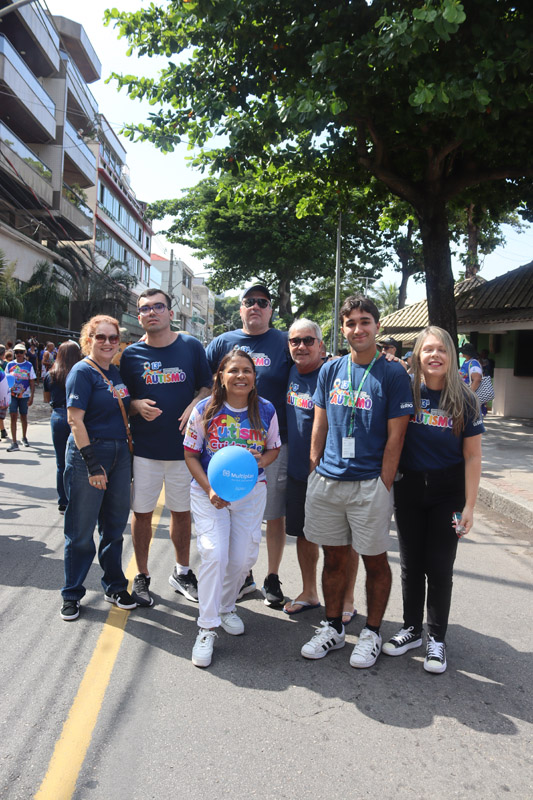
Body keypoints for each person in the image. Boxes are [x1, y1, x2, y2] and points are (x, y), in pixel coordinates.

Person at [300, 294, 414, 668]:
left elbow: (397, 437)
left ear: (377, 327)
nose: (358, 329)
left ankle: (372, 632)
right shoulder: (331, 369)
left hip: (369, 484)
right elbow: (321, 419)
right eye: (351, 322)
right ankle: (332, 627)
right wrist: (316, 462)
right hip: (329, 480)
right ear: (343, 328)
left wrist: (383, 482)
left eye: (365, 321)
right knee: (334, 558)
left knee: (375, 560)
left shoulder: (393, 373)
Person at [383, 326, 484, 673]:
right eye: (428, 350)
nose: (435, 356)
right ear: (418, 356)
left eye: (441, 350)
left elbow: (472, 456)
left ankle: (437, 638)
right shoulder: (406, 391)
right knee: (411, 566)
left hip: (448, 492)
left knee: (440, 567)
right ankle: (411, 629)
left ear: (451, 355)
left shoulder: (465, 399)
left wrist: (470, 506)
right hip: (409, 487)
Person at [183, 349, 280, 667]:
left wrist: (262, 461)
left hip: (251, 495)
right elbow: (191, 454)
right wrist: (210, 489)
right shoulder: (204, 409)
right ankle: (207, 627)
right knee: (214, 553)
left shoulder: (265, 410)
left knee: (243, 559)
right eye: (233, 370)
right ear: (221, 377)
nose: (241, 376)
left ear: (254, 378)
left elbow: (273, 448)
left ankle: (225, 606)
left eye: (247, 371)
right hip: (210, 495)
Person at [120, 289, 212, 608]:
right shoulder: (130, 355)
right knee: (142, 513)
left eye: (158, 306)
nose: (152, 312)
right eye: (145, 308)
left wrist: (195, 404)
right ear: (139, 315)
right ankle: (142, 575)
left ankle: (182, 572)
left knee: (182, 514)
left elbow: (207, 386)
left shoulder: (190, 346)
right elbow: (121, 399)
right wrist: (134, 405)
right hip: (144, 450)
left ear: (170, 313)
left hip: (184, 452)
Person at [206, 284, 292, 606]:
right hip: (222, 446)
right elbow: (204, 382)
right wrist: (193, 408)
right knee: (226, 508)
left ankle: (271, 576)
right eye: (249, 302)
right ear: (240, 309)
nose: (255, 306)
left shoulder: (284, 342)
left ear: (271, 309)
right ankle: (242, 576)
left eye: (262, 302)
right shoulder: (222, 342)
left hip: (269, 444)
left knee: (272, 513)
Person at [283, 318, 359, 624]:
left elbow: (353, 424)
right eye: (295, 341)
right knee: (304, 535)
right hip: (299, 471)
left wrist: (348, 465)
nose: (301, 347)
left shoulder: (337, 374)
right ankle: (309, 592)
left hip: (334, 473)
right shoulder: (290, 371)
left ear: (321, 345)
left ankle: (348, 599)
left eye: (308, 341)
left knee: (341, 541)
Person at [60, 315, 136, 621]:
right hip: (89, 455)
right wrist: (92, 465)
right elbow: (74, 420)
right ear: (88, 340)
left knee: (115, 527)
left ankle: (114, 585)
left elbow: (116, 406)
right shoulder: (82, 372)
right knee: (80, 531)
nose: (106, 343)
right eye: (99, 337)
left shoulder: (115, 371)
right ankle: (71, 593)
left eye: (112, 338)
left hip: (120, 454)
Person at [43, 341, 82, 513]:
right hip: (79, 417)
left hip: (58, 416)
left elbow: (46, 399)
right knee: (80, 461)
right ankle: (79, 499)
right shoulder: (81, 373)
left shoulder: (51, 374)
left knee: (61, 463)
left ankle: (63, 501)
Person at [6, 343, 36, 451]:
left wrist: (32, 396)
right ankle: (14, 442)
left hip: (24, 395)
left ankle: (24, 437)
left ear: (24, 353)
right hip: (12, 395)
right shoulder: (9, 365)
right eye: (16, 352)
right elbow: (5, 380)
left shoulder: (29, 365)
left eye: (20, 352)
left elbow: (32, 381)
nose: (18, 354)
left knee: (23, 416)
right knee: (13, 416)